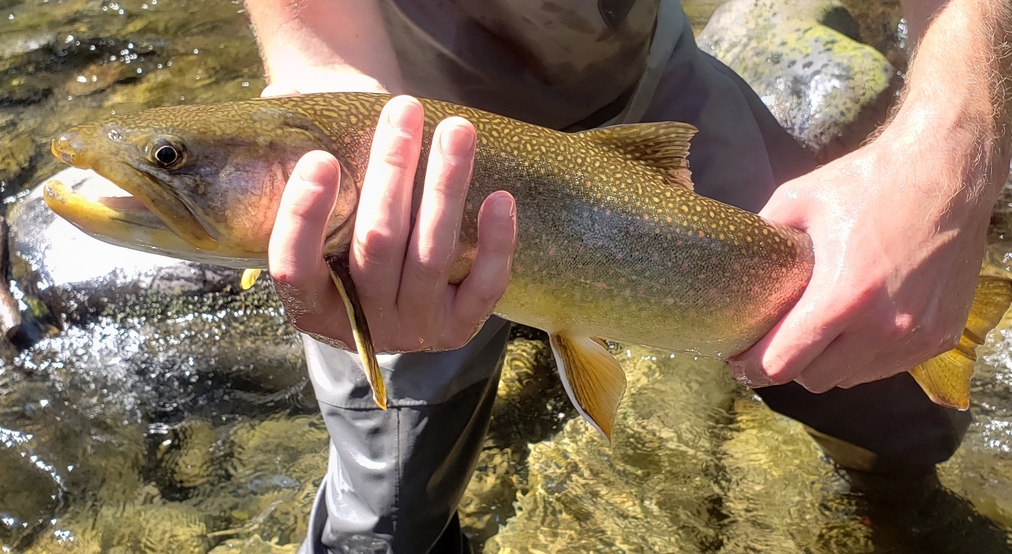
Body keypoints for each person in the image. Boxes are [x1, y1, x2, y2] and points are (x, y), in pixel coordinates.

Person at [242, 0, 1012, 552]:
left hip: (649, 85)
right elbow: (322, 52)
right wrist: (325, 91)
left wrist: (951, 154)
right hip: (399, 161)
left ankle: (895, 500)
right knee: (384, 527)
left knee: (897, 383)